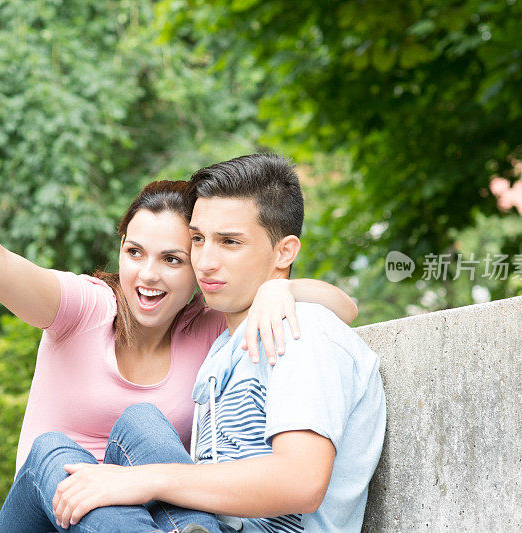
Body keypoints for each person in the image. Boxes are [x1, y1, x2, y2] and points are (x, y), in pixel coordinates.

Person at [0, 178, 359, 532]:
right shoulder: (83, 307)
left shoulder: (211, 330)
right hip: (43, 515)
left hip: (140, 518)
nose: (147, 275)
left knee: (142, 420)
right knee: (56, 452)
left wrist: (278, 289)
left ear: (198, 266)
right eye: (134, 252)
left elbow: (346, 307)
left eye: (172, 259)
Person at [49, 154, 387, 532]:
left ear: (285, 252)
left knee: (50, 460)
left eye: (229, 242)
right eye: (198, 239)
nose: (205, 262)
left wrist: (145, 479)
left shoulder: (298, 330)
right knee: (128, 426)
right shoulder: (225, 347)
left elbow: (301, 481)